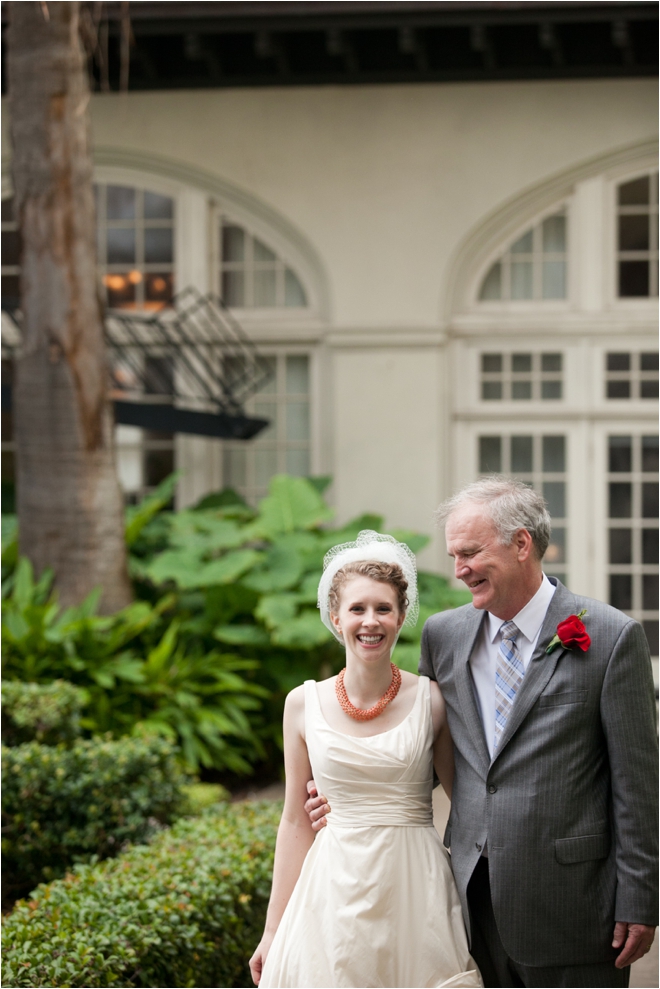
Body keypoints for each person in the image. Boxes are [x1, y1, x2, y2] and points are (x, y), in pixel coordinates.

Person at [307, 478, 658, 988]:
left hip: (573, 904)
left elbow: (637, 784)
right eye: (454, 555)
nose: (459, 570)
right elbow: (423, 755)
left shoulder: (609, 637)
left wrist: (640, 897)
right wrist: (344, 790)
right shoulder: (443, 636)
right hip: (464, 902)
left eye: (470, 552)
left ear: (521, 544)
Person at [249, 530, 482, 989]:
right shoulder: (302, 705)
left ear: (400, 618)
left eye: (383, 608)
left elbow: (470, 805)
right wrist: (272, 929)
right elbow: (295, 821)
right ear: (336, 618)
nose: (370, 621)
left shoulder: (432, 701)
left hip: (416, 891)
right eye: (357, 608)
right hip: (332, 891)